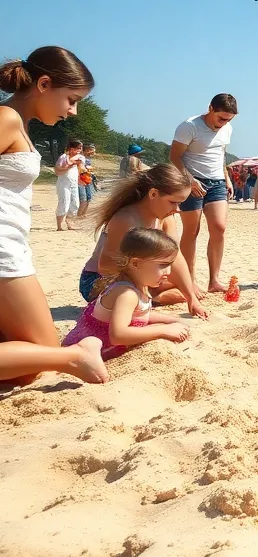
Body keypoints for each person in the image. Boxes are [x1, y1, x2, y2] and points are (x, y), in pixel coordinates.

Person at [0, 47, 109, 384]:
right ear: (44, 84)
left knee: (28, 366)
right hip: (3, 249)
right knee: (41, 356)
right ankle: (76, 355)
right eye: (71, 99)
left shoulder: (19, 123)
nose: (73, 111)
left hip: (13, 244)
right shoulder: (7, 119)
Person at [81, 164, 208, 318]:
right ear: (153, 194)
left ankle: (150, 295)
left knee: (189, 285)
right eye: (173, 202)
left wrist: (191, 299)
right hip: (97, 280)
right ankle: (150, 297)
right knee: (148, 290)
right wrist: (144, 282)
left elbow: (175, 256)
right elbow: (106, 265)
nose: (178, 209)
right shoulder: (126, 219)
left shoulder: (166, 218)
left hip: (137, 275)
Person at [63, 228, 191, 362]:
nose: (168, 271)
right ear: (135, 263)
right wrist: (163, 330)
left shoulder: (139, 285)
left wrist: (173, 321)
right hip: (89, 353)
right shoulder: (127, 294)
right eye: (163, 265)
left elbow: (140, 314)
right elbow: (118, 335)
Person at [171, 94, 237, 294]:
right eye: (221, 118)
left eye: (228, 120)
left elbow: (220, 155)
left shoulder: (227, 128)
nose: (224, 123)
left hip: (217, 182)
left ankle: (214, 280)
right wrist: (190, 181)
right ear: (210, 108)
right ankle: (189, 280)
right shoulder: (189, 126)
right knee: (192, 231)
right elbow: (174, 156)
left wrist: (227, 178)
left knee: (219, 227)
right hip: (191, 182)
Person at [54, 138, 86, 230]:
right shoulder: (63, 157)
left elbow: (81, 168)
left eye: (81, 148)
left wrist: (84, 178)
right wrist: (68, 167)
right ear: (72, 148)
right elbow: (57, 171)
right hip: (63, 183)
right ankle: (59, 226)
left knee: (75, 203)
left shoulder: (80, 158)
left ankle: (69, 223)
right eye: (78, 148)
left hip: (74, 183)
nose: (80, 150)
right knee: (64, 202)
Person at [77, 142, 97, 219]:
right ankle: (79, 215)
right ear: (87, 150)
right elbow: (80, 169)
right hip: (81, 181)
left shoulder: (88, 159)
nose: (94, 153)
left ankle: (83, 214)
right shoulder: (81, 158)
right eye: (92, 151)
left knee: (89, 198)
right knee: (83, 199)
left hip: (88, 180)